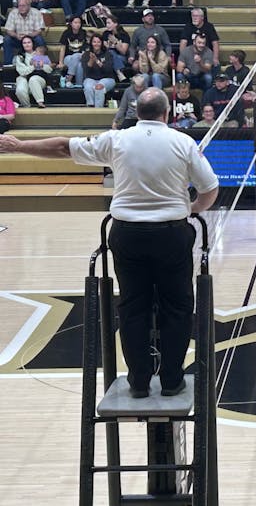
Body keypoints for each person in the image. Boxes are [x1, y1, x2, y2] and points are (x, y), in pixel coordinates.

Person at [0, 87, 220, 397]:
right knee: (178, 306)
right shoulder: (183, 142)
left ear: (136, 113)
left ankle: (139, 382)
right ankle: (172, 380)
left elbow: (63, 147)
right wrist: (192, 209)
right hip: (171, 234)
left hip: (127, 234)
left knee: (132, 305)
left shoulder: (116, 139)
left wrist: (19, 145)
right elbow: (209, 188)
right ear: (167, 113)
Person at [3, 0, 47, 65]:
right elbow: (8, 30)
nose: (21, 8)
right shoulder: (13, 13)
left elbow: (39, 30)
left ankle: (41, 63)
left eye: (23, 6)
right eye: (19, 6)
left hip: (32, 38)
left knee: (39, 39)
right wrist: (16, 35)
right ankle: (8, 64)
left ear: (29, 6)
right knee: (7, 39)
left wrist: (29, 35)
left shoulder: (36, 13)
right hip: (18, 39)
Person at [14, 35, 51, 108]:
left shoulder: (40, 53)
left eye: (29, 42)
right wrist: (33, 67)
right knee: (20, 90)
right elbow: (22, 71)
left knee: (33, 79)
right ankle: (27, 107)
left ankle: (40, 102)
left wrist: (42, 66)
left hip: (39, 77)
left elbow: (49, 70)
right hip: (24, 77)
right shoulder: (20, 57)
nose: (27, 44)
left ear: (32, 43)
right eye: (24, 43)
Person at [81, 33, 115, 108]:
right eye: (94, 42)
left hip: (107, 78)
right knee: (88, 87)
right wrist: (91, 60)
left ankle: (98, 109)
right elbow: (86, 71)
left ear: (102, 43)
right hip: (91, 78)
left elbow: (108, 70)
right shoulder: (86, 55)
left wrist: (97, 61)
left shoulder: (107, 54)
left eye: (98, 42)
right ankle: (91, 107)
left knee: (99, 87)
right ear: (91, 43)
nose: (96, 44)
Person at [56, 14, 87, 85]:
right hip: (68, 58)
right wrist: (61, 62)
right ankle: (78, 84)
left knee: (78, 60)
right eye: (75, 22)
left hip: (80, 56)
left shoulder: (83, 33)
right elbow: (63, 48)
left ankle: (70, 79)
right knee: (78, 64)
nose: (77, 24)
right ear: (71, 23)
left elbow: (85, 47)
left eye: (79, 23)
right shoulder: (66, 33)